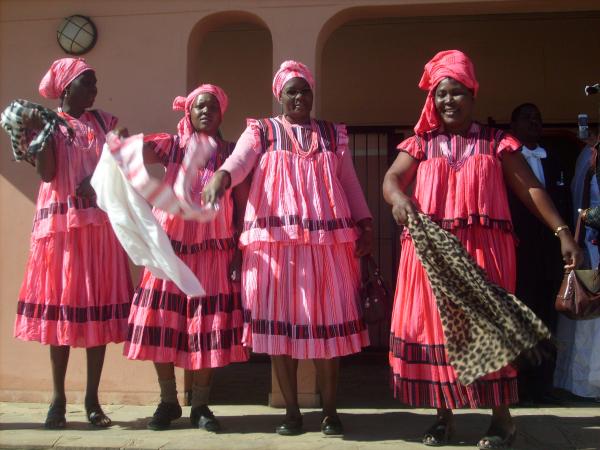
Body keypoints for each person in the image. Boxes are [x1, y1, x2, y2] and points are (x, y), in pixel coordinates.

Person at [382, 50, 582, 449]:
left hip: (484, 253)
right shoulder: (421, 143)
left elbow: (530, 189)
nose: (448, 101)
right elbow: (391, 178)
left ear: (472, 95)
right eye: (441, 94)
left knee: (489, 332)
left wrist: (562, 230)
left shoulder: (496, 143)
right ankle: (443, 417)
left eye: (456, 93)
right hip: (431, 255)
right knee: (438, 332)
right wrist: (397, 200)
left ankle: (502, 420)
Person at [202, 60, 373, 436]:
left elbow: (349, 183)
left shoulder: (332, 134)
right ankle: (292, 411)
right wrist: (221, 178)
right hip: (275, 246)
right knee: (281, 329)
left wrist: (365, 225)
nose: (299, 97)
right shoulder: (261, 131)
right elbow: (239, 162)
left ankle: (330, 411)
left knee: (329, 325)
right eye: (291, 91)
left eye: (305, 90)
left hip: (328, 244)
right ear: (278, 95)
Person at [14, 57, 133, 429]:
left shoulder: (104, 123)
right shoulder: (46, 123)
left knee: (96, 309)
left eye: (95, 84)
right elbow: (48, 173)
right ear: (67, 88)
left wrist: (99, 179)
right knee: (62, 308)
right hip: (61, 229)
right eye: (88, 83)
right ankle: (57, 399)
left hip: (98, 227)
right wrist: (44, 136)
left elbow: (122, 164)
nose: (95, 90)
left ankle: (92, 399)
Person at [123, 84, 249, 431]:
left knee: (205, 327)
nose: (205, 112)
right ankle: (168, 401)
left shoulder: (231, 153)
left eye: (211, 107)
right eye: (198, 107)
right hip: (170, 250)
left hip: (214, 251)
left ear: (222, 113)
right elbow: (136, 153)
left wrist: (239, 249)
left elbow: (241, 204)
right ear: (188, 114)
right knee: (161, 321)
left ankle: (201, 405)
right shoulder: (174, 145)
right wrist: (124, 143)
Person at [508, 103, 570, 403]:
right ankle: (517, 386)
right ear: (513, 125)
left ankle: (543, 386)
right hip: (518, 251)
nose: (534, 122)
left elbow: (566, 203)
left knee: (547, 318)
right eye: (527, 118)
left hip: (550, 253)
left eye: (538, 118)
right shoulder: (505, 158)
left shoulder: (554, 158)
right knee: (520, 316)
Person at [554, 130, 600, 400]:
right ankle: (588, 382)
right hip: (592, 248)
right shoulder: (590, 153)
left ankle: (583, 381)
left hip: (588, 246)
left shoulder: (588, 151)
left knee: (588, 314)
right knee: (589, 311)